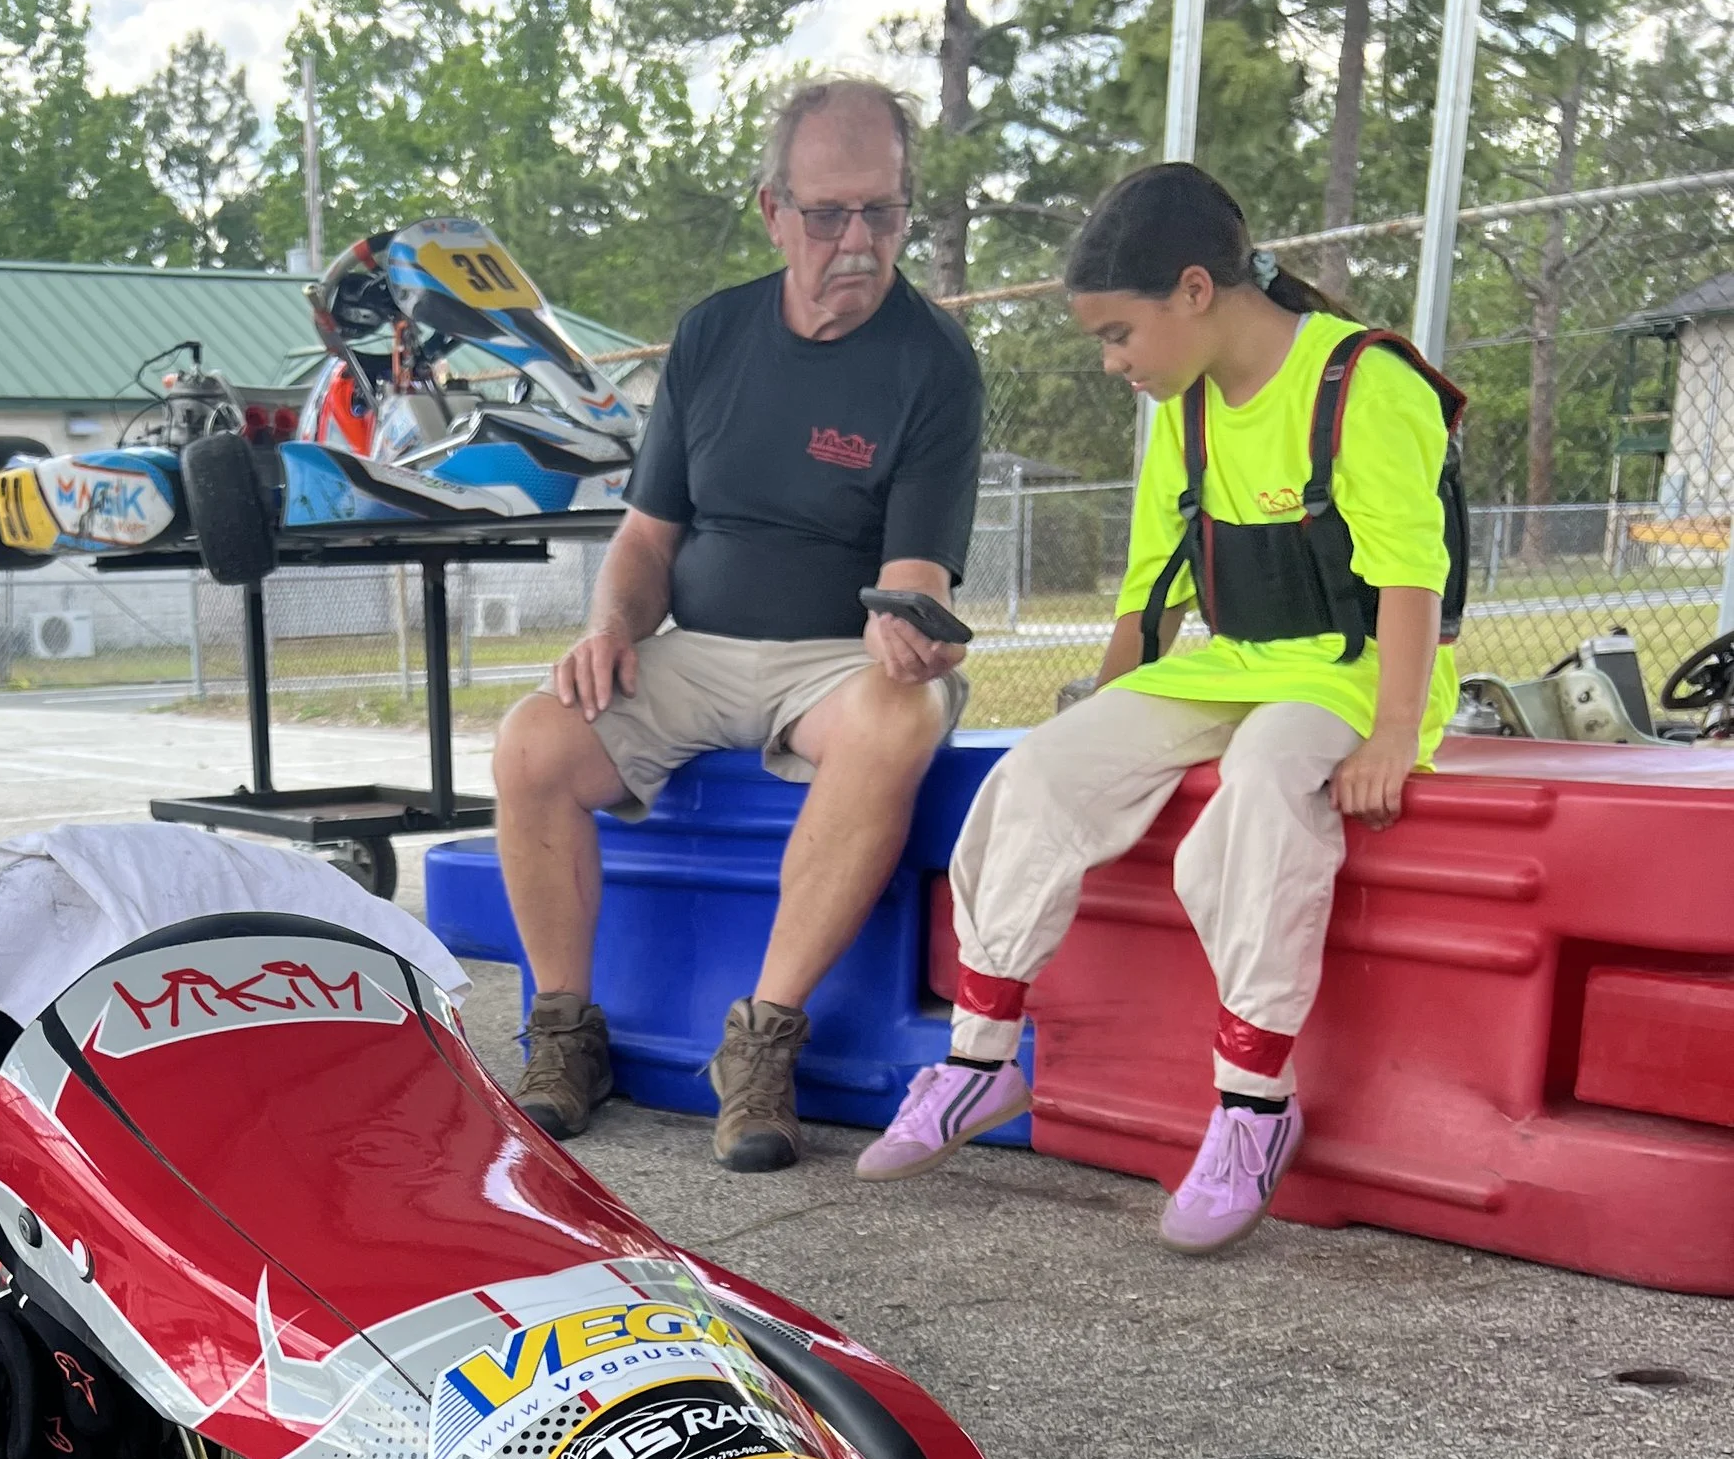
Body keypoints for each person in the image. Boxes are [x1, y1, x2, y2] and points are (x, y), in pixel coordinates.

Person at [862, 160, 1462, 1252]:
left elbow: (1411, 580)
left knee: (1268, 777)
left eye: (1119, 334)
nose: (1112, 362)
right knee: (1039, 771)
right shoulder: (1183, 415)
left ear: (1195, 290)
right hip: (1230, 665)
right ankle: (978, 1061)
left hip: (1353, 670)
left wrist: (1389, 735)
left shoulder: (1363, 383)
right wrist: (1095, 718)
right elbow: (1150, 598)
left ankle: (1251, 1108)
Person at [493, 75, 984, 1171]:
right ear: (773, 211)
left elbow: (914, 569)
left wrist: (908, 632)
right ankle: (567, 1035)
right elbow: (647, 541)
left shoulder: (934, 363)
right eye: (828, 213)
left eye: (883, 211)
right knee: (531, 738)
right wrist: (610, 626)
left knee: (901, 716)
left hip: (835, 662)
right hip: (695, 653)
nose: (857, 239)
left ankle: (759, 1044)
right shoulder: (711, 335)